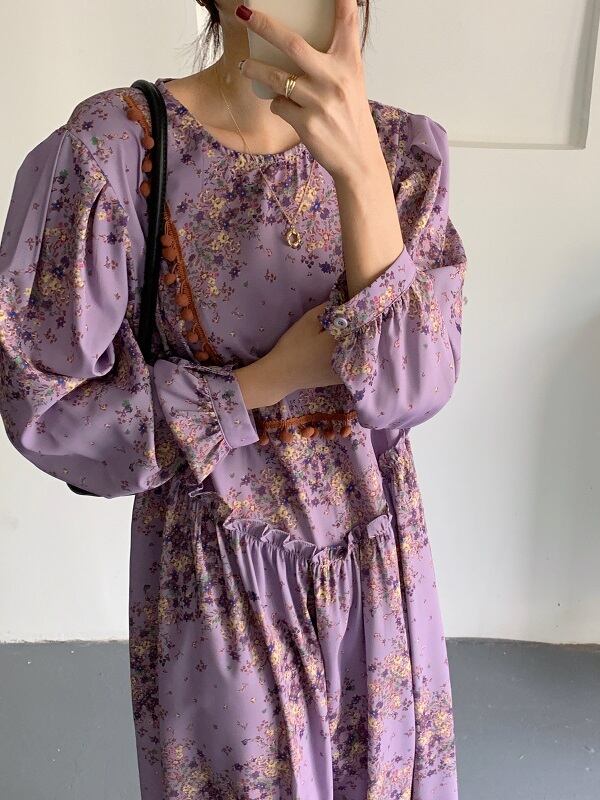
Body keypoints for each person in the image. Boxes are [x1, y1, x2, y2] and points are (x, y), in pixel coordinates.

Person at [0, 0, 467, 796]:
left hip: (380, 563)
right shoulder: (118, 150)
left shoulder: (400, 152)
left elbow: (417, 386)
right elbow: (44, 404)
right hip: (218, 575)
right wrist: (263, 382)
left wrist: (358, 171)